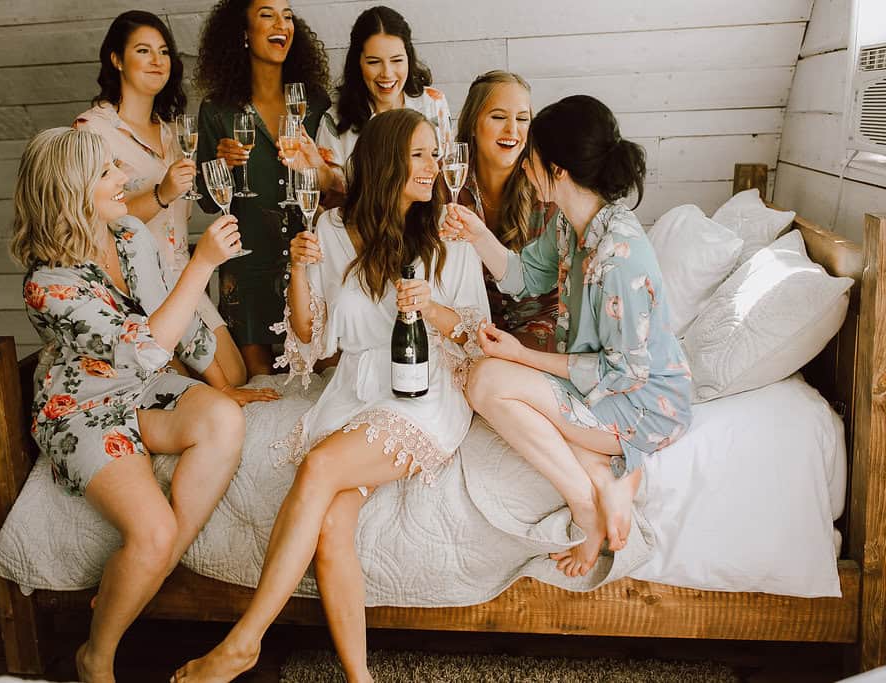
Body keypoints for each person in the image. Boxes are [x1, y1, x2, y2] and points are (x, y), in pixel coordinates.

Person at [172, 109, 489, 682]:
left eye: (434, 154)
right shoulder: (332, 230)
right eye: (418, 154)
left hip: (423, 389)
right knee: (332, 523)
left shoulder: (450, 229)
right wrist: (296, 271)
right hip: (354, 388)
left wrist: (430, 309)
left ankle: (243, 643)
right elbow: (310, 341)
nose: (432, 167)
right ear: (384, 161)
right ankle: (360, 678)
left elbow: (474, 335)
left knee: (318, 466)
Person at [11, 127, 247, 682]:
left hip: (139, 392)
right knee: (151, 530)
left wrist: (224, 384)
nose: (125, 181)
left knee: (223, 417)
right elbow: (143, 349)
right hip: (82, 410)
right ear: (69, 191)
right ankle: (97, 656)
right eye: (106, 174)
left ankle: (154, 571)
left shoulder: (126, 233)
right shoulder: (47, 285)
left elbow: (173, 312)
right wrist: (203, 263)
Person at [443, 95, 693, 578]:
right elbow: (522, 276)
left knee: (487, 381)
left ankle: (586, 504)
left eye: (532, 156)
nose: (525, 166)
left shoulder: (619, 257)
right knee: (489, 379)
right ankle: (605, 480)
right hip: (603, 384)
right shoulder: (569, 224)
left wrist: (523, 357)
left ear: (556, 170)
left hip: (645, 402)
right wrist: (476, 235)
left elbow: (625, 372)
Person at [74, 10, 275, 405]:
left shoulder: (170, 131)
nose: (156, 61)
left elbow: (188, 202)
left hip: (182, 272)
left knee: (234, 374)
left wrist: (217, 165)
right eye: (143, 51)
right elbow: (91, 220)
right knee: (195, 386)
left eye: (163, 52)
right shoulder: (92, 130)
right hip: (132, 285)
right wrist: (160, 193)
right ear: (116, 59)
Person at [194, 0, 331, 377]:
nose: (282, 23)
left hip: (309, 258)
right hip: (247, 262)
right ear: (243, 33)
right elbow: (206, 199)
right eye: (267, 14)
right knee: (260, 385)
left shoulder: (315, 103)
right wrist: (219, 166)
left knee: (315, 375)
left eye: (287, 15)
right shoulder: (217, 110)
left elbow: (335, 186)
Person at [285, 5, 451, 203]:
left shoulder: (434, 103)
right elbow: (333, 200)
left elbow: (446, 178)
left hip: (425, 226)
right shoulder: (336, 119)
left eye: (397, 60)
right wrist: (319, 170)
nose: (387, 73)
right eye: (374, 62)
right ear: (358, 63)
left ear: (409, 58)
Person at [451, 70, 560, 350]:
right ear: (473, 124)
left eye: (522, 119)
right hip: (471, 327)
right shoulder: (447, 184)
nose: (512, 130)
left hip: (541, 325)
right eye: (499, 117)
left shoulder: (548, 183)